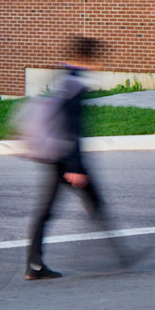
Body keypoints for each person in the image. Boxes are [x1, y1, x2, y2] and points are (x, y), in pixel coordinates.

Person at [22, 35, 132, 280]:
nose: (101, 64)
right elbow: (72, 127)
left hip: (54, 156)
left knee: (49, 210)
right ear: (89, 58)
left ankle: (34, 265)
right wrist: (75, 166)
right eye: (99, 58)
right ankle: (122, 255)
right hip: (67, 159)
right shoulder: (76, 84)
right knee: (94, 203)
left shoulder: (63, 78)